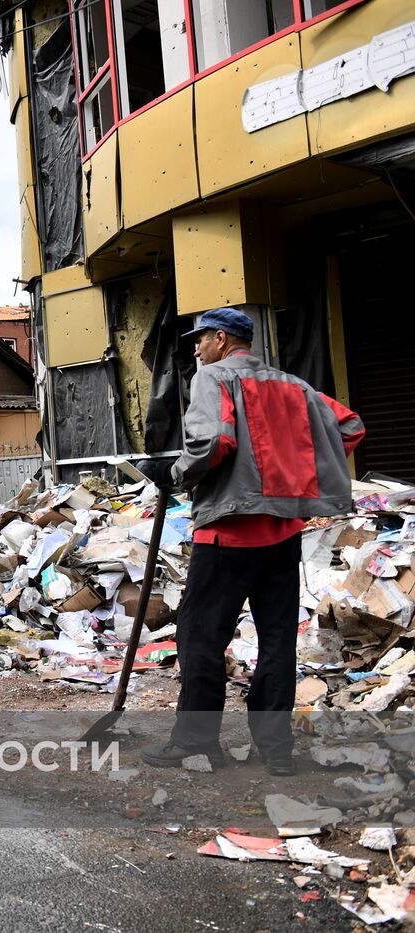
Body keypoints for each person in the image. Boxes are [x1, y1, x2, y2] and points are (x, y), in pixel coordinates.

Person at [140, 307, 363, 776]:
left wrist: (173, 473)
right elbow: (350, 427)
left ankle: (197, 742)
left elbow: (213, 444)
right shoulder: (294, 386)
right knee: (277, 642)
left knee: (200, 638)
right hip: (282, 538)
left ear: (222, 339)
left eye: (200, 340)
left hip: (227, 534)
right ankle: (276, 752)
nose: (195, 349)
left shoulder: (213, 379)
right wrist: (300, 466)